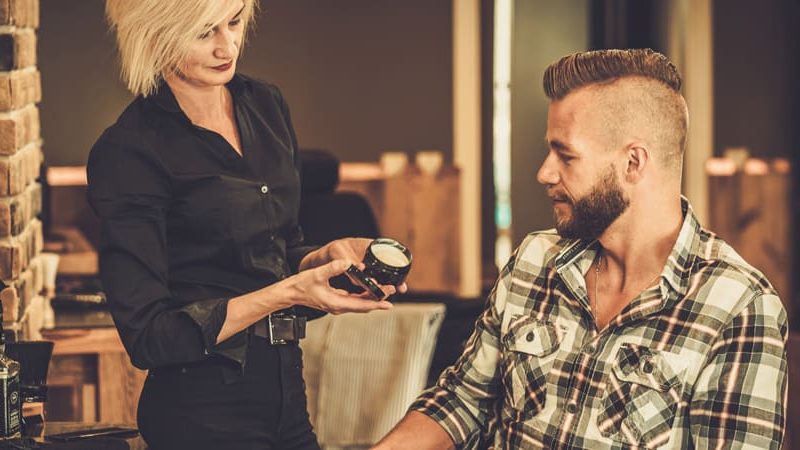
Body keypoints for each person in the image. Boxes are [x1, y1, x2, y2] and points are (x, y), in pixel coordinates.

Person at [374, 49, 787, 449]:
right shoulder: (534, 260)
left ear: (633, 163)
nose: (544, 172)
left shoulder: (739, 306)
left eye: (565, 155)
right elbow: (463, 401)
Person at [86, 1, 400, 448]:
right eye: (203, 32)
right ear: (156, 35)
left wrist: (323, 259)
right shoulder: (130, 149)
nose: (226, 45)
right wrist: (288, 292)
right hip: (200, 413)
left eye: (233, 22)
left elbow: (278, 249)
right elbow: (150, 337)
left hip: (286, 395)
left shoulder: (266, 105)